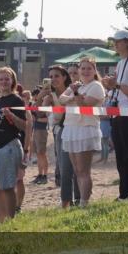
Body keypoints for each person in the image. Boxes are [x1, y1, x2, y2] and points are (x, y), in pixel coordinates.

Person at [58, 56, 105, 206]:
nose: (85, 71)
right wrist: (74, 94)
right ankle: (81, 200)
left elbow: (84, 105)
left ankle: (84, 201)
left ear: (94, 70)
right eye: (83, 68)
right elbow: (61, 99)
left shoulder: (96, 86)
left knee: (84, 170)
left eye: (89, 68)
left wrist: (74, 95)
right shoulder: (76, 85)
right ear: (79, 70)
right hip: (71, 128)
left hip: (85, 129)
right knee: (77, 170)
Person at [103, 29, 128, 200]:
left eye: (118, 41)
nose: (115, 44)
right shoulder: (121, 63)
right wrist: (111, 85)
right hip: (119, 111)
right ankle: (124, 192)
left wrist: (117, 85)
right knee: (121, 154)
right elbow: (120, 87)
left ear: (127, 42)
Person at [0, 67, 27, 221]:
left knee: (8, 186)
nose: (3, 82)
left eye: (7, 79)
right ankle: (0, 220)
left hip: (8, 146)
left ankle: (11, 220)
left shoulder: (16, 100)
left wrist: (12, 117)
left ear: (12, 81)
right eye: (1, 79)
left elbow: (24, 125)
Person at [45, 65, 80, 208]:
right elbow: (40, 112)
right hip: (61, 131)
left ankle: (79, 198)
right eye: (51, 76)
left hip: (77, 129)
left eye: (57, 76)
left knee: (79, 168)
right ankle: (66, 201)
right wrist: (42, 96)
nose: (53, 79)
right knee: (64, 168)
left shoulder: (73, 90)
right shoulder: (50, 95)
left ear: (64, 77)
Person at [30, 86, 51, 184]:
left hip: (42, 130)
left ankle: (45, 175)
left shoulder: (45, 104)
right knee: (38, 154)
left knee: (42, 153)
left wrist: (37, 119)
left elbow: (48, 119)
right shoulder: (35, 103)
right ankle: (40, 174)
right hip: (36, 129)